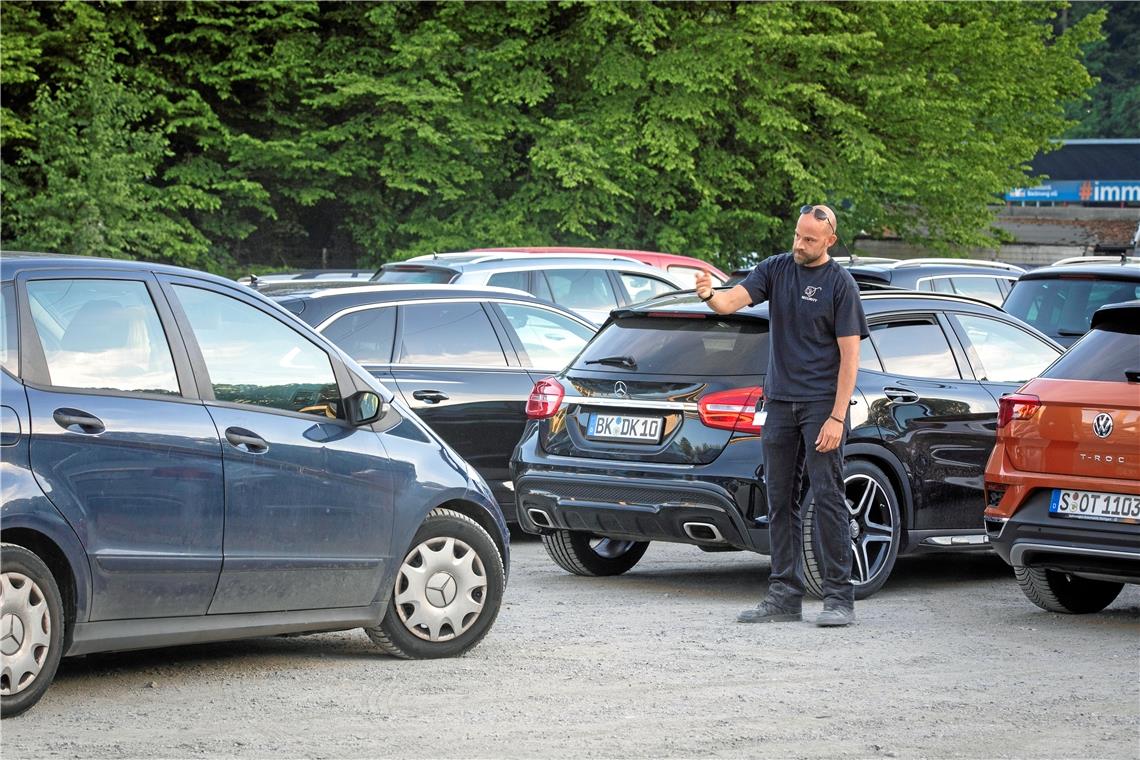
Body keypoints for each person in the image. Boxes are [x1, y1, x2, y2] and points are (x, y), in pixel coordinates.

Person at [694, 204, 868, 627]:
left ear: (829, 240)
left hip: (820, 406)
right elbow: (732, 301)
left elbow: (850, 357)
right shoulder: (776, 269)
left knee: (827, 497)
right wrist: (710, 295)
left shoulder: (839, 284)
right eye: (797, 235)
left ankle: (838, 598)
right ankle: (783, 596)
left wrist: (836, 417)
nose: (800, 245)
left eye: (809, 239)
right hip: (779, 404)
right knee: (779, 500)